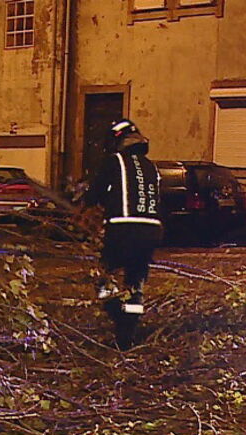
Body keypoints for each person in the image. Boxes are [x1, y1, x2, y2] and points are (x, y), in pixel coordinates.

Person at [86, 118, 163, 350]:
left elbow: (95, 193)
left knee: (105, 274)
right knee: (135, 282)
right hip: (151, 231)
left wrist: (83, 204)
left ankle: (112, 309)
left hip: (123, 228)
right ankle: (127, 334)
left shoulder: (114, 162)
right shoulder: (151, 167)